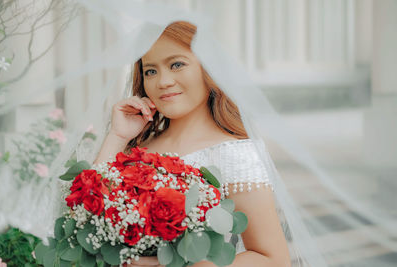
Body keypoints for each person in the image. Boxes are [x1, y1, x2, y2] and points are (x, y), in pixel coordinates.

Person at [94, 21, 291, 267]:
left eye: (176, 64)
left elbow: (273, 259)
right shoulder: (138, 146)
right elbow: (89, 211)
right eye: (150, 71)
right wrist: (118, 136)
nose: (163, 81)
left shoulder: (235, 155)